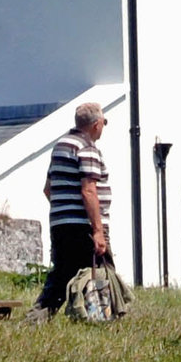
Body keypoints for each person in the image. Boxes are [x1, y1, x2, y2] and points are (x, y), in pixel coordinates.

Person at [34, 101, 111, 315]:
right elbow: (89, 190)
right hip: (83, 226)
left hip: (60, 224)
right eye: (104, 122)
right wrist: (97, 230)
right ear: (96, 124)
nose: (104, 127)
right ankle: (99, 318)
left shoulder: (61, 146)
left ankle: (36, 319)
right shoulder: (87, 148)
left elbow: (48, 189)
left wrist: (64, 211)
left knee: (61, 275)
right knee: (100, 273)